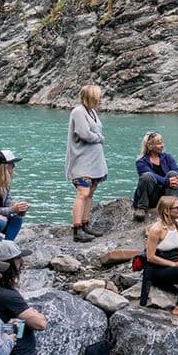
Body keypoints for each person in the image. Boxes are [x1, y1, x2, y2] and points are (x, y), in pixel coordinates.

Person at [67, 84, 107, 242]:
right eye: (98, 97)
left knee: (90, 193)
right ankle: (77, 229)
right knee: (83, 193)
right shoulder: (78, 112)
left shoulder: (92, 112)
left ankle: (85, 223)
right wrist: (99, 138)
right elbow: (83, 133)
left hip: (94, 161)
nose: (101, 100)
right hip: (81, 161)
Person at [133, 132, 178, 221]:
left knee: (173, 174)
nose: (162, 145)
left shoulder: (167, 157)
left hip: (166, 194)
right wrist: (167, 182)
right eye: (159, 143)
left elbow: (177, 169)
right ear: (150, 146)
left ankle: (169, 207)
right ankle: (142, 208)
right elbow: (151, 175)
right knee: (146, 176)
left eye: (162, 143)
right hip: (152, 196)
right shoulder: (141, 162)